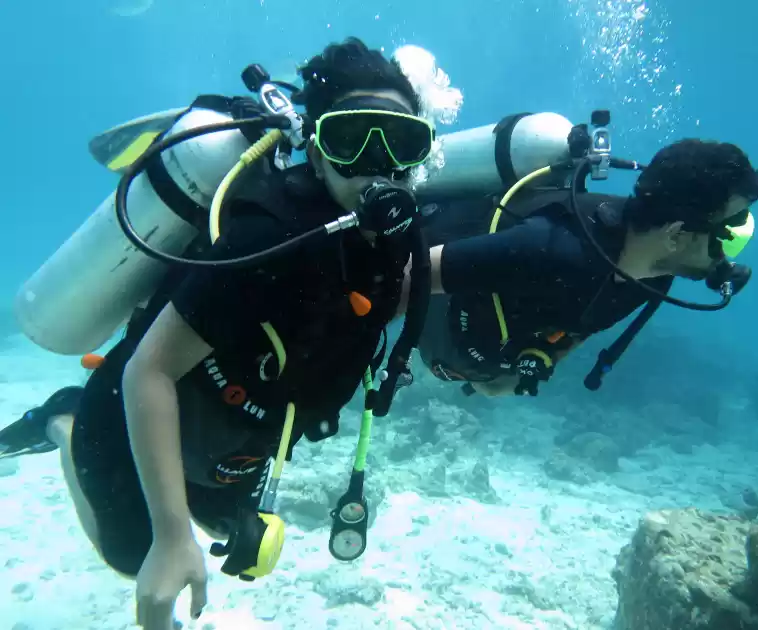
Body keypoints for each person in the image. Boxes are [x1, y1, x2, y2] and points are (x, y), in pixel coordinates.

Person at [0, 37, 436, 630]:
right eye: (351, 138)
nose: (377, 164)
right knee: (134, 556)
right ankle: (62, 419)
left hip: (238, 444)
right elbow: (149, 370)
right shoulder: (269, 242)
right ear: (315, 144)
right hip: (137, 407)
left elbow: (442, 273)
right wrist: (171, 535)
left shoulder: (393, 247)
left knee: (229, 534)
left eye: (401, 142)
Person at [412, 138, 758, 397]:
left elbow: (586, 322)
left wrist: (543, 356)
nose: (727, 258)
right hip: (429, 289)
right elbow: (413, 274)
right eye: (726, 237)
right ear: (675, 234)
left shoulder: (655, 276)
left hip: (472, 351)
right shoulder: (551, 247)